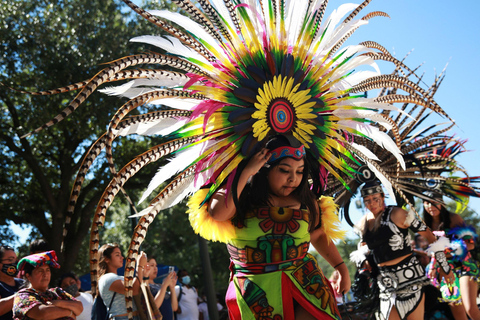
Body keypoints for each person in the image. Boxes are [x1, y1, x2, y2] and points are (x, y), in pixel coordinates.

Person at [201, 135, 350, 319]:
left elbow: (318, 235)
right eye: (284, 170)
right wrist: (246, 172)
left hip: (304, 282)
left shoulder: (307, 200)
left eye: (300, 171)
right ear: (264, 168)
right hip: (256, 292)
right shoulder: (238, 193)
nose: (293, 179)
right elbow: (218, 213)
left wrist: (341, 269)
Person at [355, 181, 454, 320]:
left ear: (383, 197)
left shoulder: (397, 214)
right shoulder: (363, 223)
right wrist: (363, 260)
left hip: (411, 281)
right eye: (367, 201)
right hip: (385, 286)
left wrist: (445, 267)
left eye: (375, 199)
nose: (372, 203)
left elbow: (431, 238)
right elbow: (361, 247)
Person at [423, 193, 480, 320]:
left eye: (435, 202)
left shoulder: (454, 218)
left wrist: (448, 248)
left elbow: (470, 245)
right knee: (459, 315)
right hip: (445, 270)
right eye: (427, 202)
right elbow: (433, 251)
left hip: (464, 266)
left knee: (470, 309)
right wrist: (433, 264)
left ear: (441, 203)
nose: (431, 206)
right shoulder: (425, 225)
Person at [12, 250, 83, 319]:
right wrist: (69, 313)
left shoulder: (57, 292)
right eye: (40, 270)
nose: (45, 274)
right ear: (28, 276)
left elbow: (79, 307)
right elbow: (43, 313)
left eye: (47, 270)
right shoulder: (23, 295)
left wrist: (57, 303)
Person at [97, 243, 145, 320]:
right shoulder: (107, 278)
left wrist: (144, 270)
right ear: (106, 259)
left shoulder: (119, 278)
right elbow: (134, 290)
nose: (122, 257)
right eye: (117, 255)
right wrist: (139, 266)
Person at [0, 245, 24, 320]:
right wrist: (24, 294)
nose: (15, 263)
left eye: (16, 260)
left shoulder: (23, 283)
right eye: (10, 260)